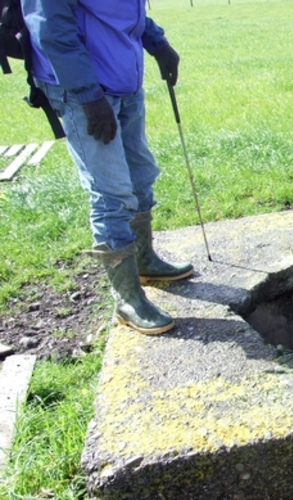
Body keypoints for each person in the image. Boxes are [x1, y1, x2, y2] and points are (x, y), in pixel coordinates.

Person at [22, 0, 193, 335]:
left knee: (141, 175)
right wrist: (87, 96)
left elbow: (127, 11)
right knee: (111, 192)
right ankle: (127, 299)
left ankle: (144, 260)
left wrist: (157, 42)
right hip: (83, 92)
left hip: (124, 82)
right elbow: (51, 29)